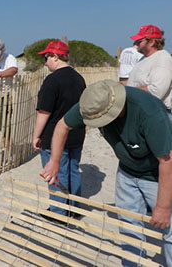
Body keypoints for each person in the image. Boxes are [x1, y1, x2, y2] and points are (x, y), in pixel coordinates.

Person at [42, 80, 172, 266]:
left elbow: (167, 161)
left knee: (169, 228)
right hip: (127, 170)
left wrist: (163, 207)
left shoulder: (149, 112)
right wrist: (54, 162)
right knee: (129, 224)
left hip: (158, 174)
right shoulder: (92, 102)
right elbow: (62, 126)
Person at [33, 40, 86, 220]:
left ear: (55, 57)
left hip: (55, 135)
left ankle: (58, 213)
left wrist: (36, 136)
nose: (45, 62)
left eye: (46, 57)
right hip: (76, 133)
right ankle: (74, 209)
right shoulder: (79, 78)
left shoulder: (52, 80)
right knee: (72, 169)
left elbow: (44, 112)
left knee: (56, 172)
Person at [127, 25, 172, 123]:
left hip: (159, 115)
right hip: (146, 113)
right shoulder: (144, 58)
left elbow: (156, 91)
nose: (136, 43)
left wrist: (127, 91)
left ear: (151, 42)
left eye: (140, 41)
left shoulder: (162, 59)